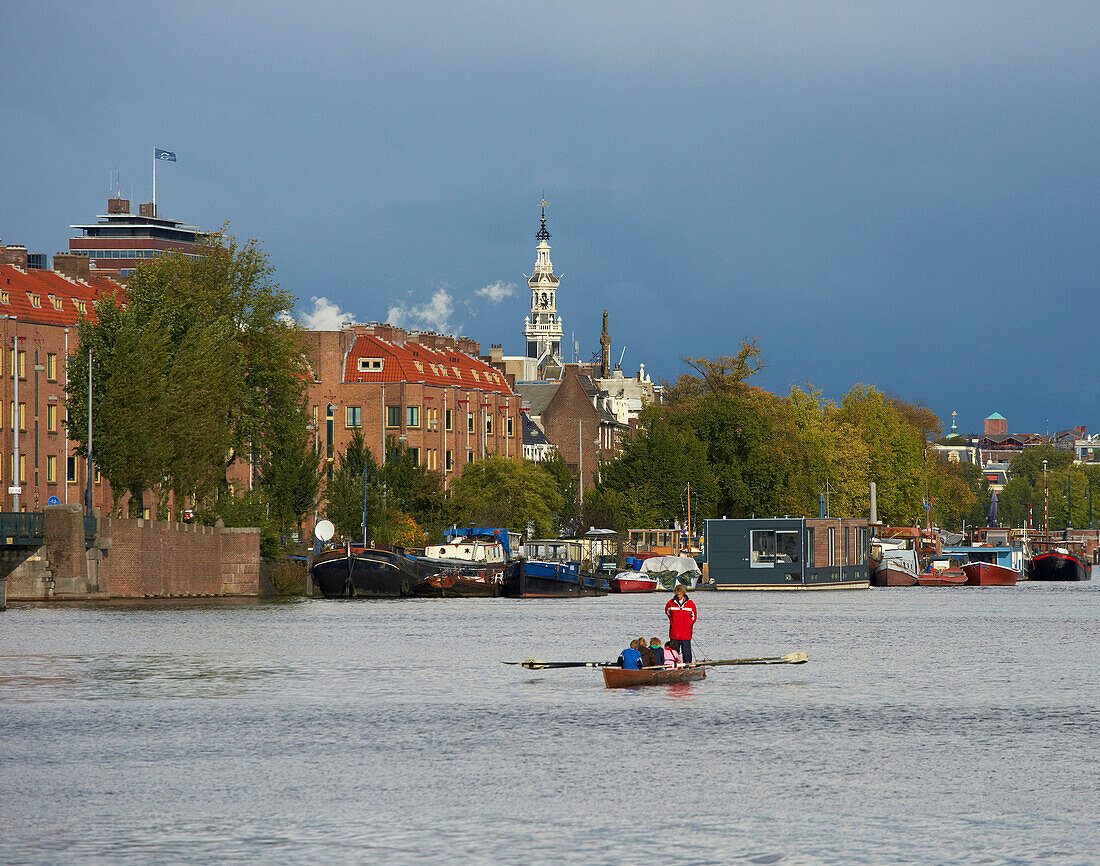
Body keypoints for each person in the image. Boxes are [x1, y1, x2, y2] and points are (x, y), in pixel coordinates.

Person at [665, 583, 697, 663]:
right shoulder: (670, 603)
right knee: (674, 653)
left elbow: (694, 618)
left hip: (686, 634)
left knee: (687, 654)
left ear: (683, 593)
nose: (678, 596)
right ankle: (674, 667)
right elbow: (668, 613)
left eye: (680, 594)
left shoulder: (690, 604)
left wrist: (688, 626)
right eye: (677, 594)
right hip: (674, 633)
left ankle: (687, 667)